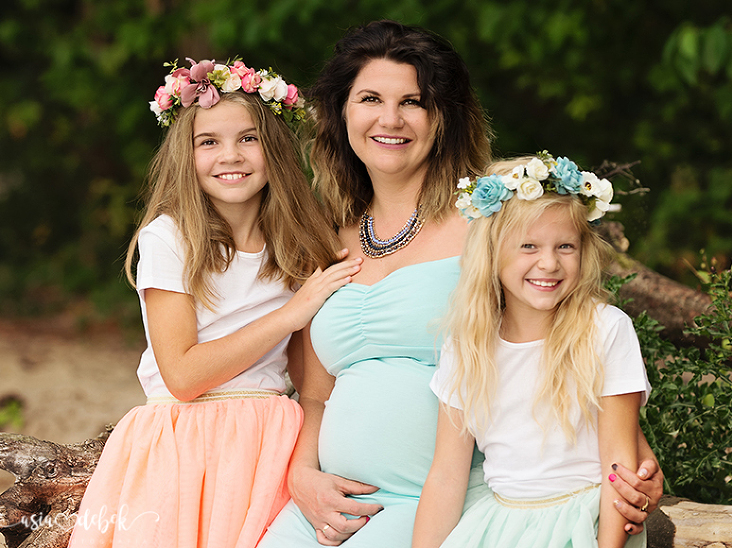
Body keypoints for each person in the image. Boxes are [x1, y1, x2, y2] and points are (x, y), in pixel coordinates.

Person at [261, 21, 661, 548]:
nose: (390, 118)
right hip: (330, 502)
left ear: (442, 117)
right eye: (370, 98)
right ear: (342, 112)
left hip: (443, 500)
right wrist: (303, 478)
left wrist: (633, 451)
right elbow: (316, 394)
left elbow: (566, 332)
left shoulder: (489, 229)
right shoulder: (328, 241)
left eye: (413, 101)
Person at [68, 57, 361, 548]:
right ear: (187, 155)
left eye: (248, 139)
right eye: (209, 142)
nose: (232, 155)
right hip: (185, 442)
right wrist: (291, 313)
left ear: (274, 149)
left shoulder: (299, 243)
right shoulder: (169, 238)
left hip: (270, 440)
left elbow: (310, 378)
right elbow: (182, 376)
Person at [412, 154, 649, 548]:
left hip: (582, 523)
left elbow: (619, 470)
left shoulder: (605, 329)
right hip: (497, 523)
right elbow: (446, 476)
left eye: (565, 246)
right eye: (528, 246)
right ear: (492, 253)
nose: (549, 263)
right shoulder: (468, 344)